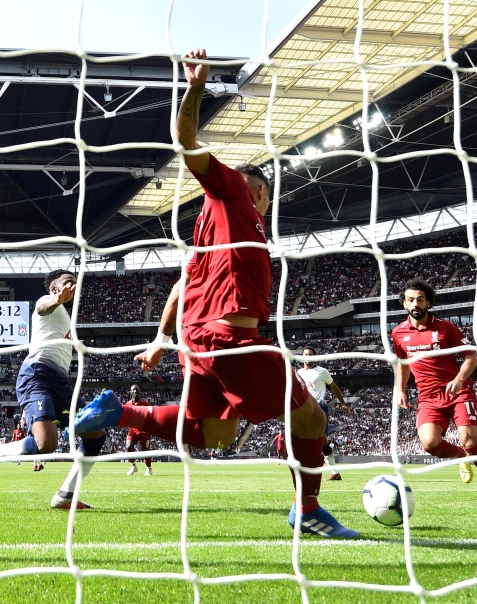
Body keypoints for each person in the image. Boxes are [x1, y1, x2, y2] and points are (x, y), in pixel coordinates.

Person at [73, 48, 358, 539]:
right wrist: (197, 88)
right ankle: (307, 510)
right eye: (253, 189)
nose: (255, 196)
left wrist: (162, 339)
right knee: (312, 422)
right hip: (230, 341)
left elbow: (182, 285)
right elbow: (185, 141)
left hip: (197, 342)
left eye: (258, 191)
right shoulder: (229, 197)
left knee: (217, 434)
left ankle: (120, 412)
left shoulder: (213, 239)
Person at [0, 270, 107, 510]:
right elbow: (41, 306)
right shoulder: (49, 304)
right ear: (55, 289)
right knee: (46, 445)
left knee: (96, 432)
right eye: (68, 282)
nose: (73, 286)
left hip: (60, 383)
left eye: (75, 283)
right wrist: (56, 299)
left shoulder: (66, 314)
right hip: (37, 376)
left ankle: (67, 494)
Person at [392, 278, 477, 503]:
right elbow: (402, 363)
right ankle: (462, 457)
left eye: (420, 299)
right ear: (404, 303)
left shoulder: (445, 328)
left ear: (428, 303)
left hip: (458, 392)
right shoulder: (398, 333)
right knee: (430, 443)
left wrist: (460, 379)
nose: (415, 304)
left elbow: (471, 357)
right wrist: (400, 389)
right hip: (428, 397)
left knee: (470, 439)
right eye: (411, 299)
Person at [297, 346, 349, 480]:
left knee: (321, 439)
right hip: (304, 408)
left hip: (319, 407)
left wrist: (342, 403)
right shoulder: (299, 372)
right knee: (306, 440)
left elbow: (334, 387)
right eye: (305, 354)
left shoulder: (322, 372)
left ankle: (333, 471)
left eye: (310, 354)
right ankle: (327, 471)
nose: (308, 357)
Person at [123, 385, 154, 477]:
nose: (135, 391)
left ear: (139, 391)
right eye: (133, 390)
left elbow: (151, 417)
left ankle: (149, 468)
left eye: (137, 390)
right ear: (130, 392)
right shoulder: (128, 404)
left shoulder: (145, 404)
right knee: (128, 446)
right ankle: (133, 466)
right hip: (133, 430)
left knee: (145, 450)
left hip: (144, 430)